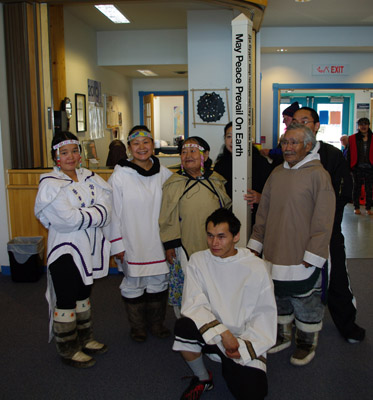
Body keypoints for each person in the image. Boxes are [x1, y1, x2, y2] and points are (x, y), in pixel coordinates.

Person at [248, 123, 336, 366]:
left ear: (308, 145)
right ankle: (283, 334)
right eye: (284, 142)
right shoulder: (276, 173)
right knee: (278, 295)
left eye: (293, 143)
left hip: (302, 254)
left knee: (305, 298)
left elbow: (324, 219)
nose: (287, 147)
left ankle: (307, 342)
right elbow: (263, 211)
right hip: (274, 250)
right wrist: (256, 243)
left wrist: (315, 253)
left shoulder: (319, 175)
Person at [173, 208, 277, 400]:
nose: (214, 243)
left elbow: (264, 314)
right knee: (183, 326)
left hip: (243, 340)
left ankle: (231, 364)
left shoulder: (256, 266)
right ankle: (203, 378)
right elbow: (194, 303)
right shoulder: (198, 261)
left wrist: (241, 347)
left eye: (221, 237)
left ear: (236, 236)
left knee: (254, 393)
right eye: (210, 236)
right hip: (213, 332)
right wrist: (223, 333)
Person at [34, 131, 112, 368]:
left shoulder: (91, 178)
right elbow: (65, 220)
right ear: (56, 156)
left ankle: (85, 338)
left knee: (84, 293)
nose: (71, 157)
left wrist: (85, 215)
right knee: (66, 297)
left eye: (75, 151)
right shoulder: (50, 183)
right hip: (65, 249)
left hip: (89, 247)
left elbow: (107, 210)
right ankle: (68, 347)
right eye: (64, 153)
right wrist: (94, 214)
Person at [293, 107, 366, 343]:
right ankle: (294, 325)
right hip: (295, 230)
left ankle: (347, 324)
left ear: (316, 126)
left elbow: (344, 191)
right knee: (293, 278)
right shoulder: (287, 154)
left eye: (305, 120)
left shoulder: (332, 155)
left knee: (336, 278)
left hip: (327, 229)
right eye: (295, 121)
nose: (300, 124)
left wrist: (324, 221)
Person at [106, 125, 172, 342]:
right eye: (136, 143)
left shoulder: (165, 174)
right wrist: (118, 245)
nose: (142, 147)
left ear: (153, 145)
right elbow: (113, 214)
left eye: (146, 142)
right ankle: (138, 327)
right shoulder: (120, 177)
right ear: (129, 147)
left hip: (158, 241)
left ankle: (156, 324)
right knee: (133, 283)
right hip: (131, 240)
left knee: (158, 281)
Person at [159, 136, 231, 317]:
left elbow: (226, 210)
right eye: (183, 152)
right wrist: (169, 244)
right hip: (184, 243)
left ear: (205, 155)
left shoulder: (216, 181)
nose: (187, 155)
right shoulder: (174, 183)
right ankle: (188, 322)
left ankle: (213, 320)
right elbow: (167, 216)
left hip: (214, 243)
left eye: (193, 151)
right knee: (189, 284)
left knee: (214, 283)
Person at [214, 122, 272, 224]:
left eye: (238, 136)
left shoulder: (260, 162)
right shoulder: (220, 165)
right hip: (229, 220)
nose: (233, 141)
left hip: (257, 219)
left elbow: (274, 194)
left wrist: (260, 197)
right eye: (229, 136)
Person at [260, 101, 300, 166]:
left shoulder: (298, 135)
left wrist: (269, 152)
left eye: (285, 118)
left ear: (294, 119)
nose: (283, 121)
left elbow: (287, 151)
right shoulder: (288, 134)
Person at [347, 117, 373, 215]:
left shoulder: (372, 137)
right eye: (361, 124)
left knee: (369, 188)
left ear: (368, 125)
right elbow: (349, 154)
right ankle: (356, 207)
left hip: (370, 167)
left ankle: (368, 208)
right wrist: (349, 167)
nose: (363, 126)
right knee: (356, 188)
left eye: (365, 124)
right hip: (357, 167)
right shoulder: (353, 138)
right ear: (358, 126)